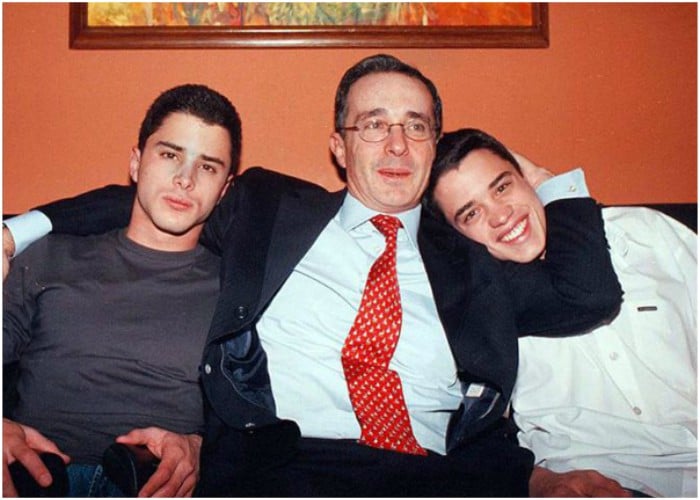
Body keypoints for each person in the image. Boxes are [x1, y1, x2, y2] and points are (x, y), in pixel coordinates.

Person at [2, 54, 622, 496]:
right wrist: (16, 230)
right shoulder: (268, 210)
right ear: (339, 146)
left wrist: (548, 183)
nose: (397, 145)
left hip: (442, 477)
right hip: (291, 470)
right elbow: (162, 198)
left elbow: (587, 295)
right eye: (373, 124)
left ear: (434, 146)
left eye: (416, 127)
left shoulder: (470, 261)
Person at [425, 127, 697, 497]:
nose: (500, 216)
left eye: (502, 187)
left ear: (526, 179)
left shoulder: (642, 233)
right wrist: (539, 481)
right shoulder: (481, 309)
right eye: (471, 213)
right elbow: (468, 436)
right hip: (600, 482)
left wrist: (546, 181)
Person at [3, 84, 242, 497]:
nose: (184, 180)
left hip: (153, 483)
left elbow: (259, 416)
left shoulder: (239, 291)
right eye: (170, 155)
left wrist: (200, 448)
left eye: (207, 167)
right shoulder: (47, 255)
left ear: (224, 190)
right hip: (36, 476)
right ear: (135, 163)